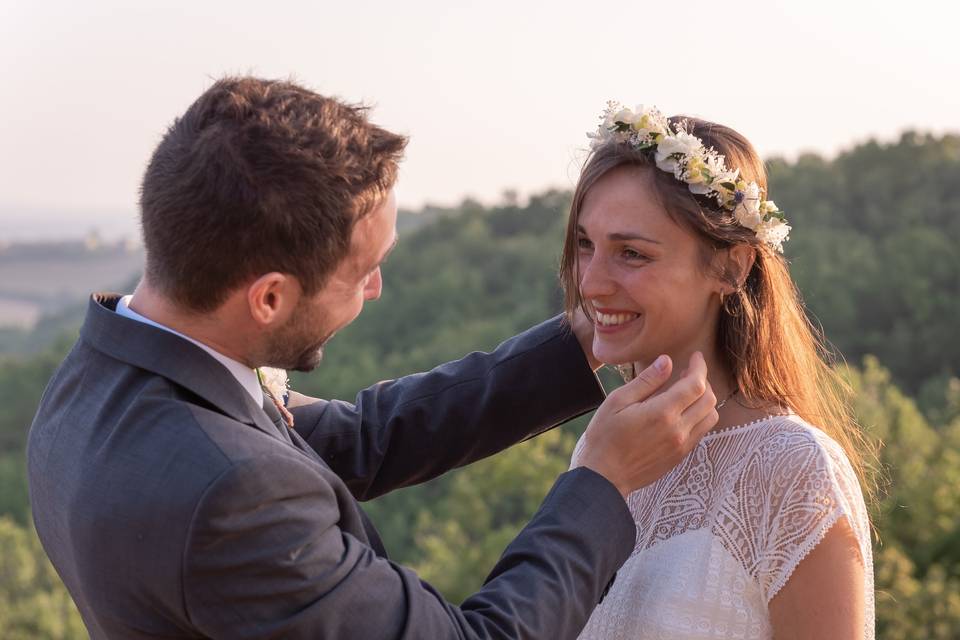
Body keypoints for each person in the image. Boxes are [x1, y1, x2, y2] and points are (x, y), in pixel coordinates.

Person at [26, 79, 720, 639]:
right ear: (269, 297)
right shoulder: (231, 496)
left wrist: (584, 336)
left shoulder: (107, 370)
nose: (378, 288)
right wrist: (600, 479)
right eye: (363, 273)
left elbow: (359, 438)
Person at [560, 104, 875, 639]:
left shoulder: (793, 468)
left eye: (631, 253)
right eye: (586, 245)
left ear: (731, 266)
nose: (590, 283)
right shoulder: (606, 446)